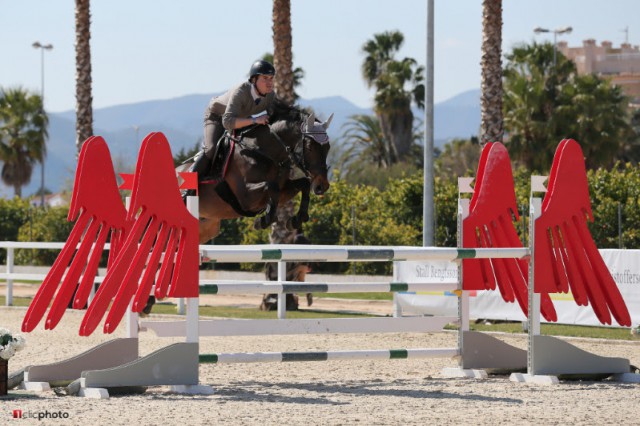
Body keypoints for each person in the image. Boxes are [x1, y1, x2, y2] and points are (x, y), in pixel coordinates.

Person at [188, 60, 277, 185]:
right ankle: (187, 186)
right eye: (265, 78)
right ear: (254, 79)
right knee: (211, 149)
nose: (269, 83)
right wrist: (255, 120)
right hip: (217, 116)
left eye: (271, 78)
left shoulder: (270, 96)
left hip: (241, 117)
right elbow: (228, 122)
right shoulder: (241, 92)